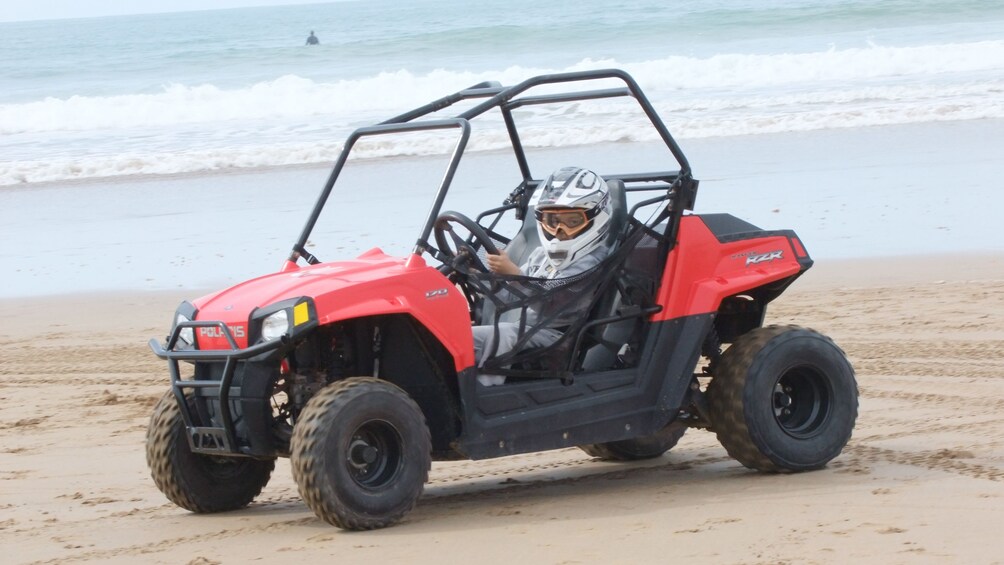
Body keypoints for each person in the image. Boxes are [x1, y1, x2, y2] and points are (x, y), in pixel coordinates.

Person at [472, 166, 614, 386]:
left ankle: (486, 394)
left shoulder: (592, 260)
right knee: (463, 337)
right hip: (527, 329)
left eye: (572, 222)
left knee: (503, 334)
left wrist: (515, 274)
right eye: (552, 221)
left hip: (557, 334)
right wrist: (484, 277)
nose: (560, 231)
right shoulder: (541, 255)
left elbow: (556, 302)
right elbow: (512, 298)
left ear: (597, 216)